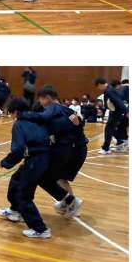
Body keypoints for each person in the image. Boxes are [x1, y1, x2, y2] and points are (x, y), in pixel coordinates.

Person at [19, 85, 85, 217]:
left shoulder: (54, 110)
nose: (40, 102)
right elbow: (78, 123)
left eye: (41, 99)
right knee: (59, 178)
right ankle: (70, 203)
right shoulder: (66, 110)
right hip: (76, 149)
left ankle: (70, 203)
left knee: (45, 176)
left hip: (72, 150)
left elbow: (49, 124)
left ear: (48, 98)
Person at [0, 97, 52, 239]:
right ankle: (15, 210)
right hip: (42, 158)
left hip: (35, 161)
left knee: (23, 195)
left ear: (15, 112)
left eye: (10, 113)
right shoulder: (36, 119)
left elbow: (18, 150)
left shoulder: (19, 124)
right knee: (16, 180)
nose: (10, 116)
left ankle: (40, 229)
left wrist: (5, 162)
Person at [94, 77, 128, 154]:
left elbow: (118, 101)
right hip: (115, 112)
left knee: (108, 129)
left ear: (100, 84)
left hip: (116, 112)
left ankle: (106, 148)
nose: (99, 89)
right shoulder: (110, 89)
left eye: (98, 87)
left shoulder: (109, 91)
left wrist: (126, 112)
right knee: (111, 129)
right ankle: (120, 141)